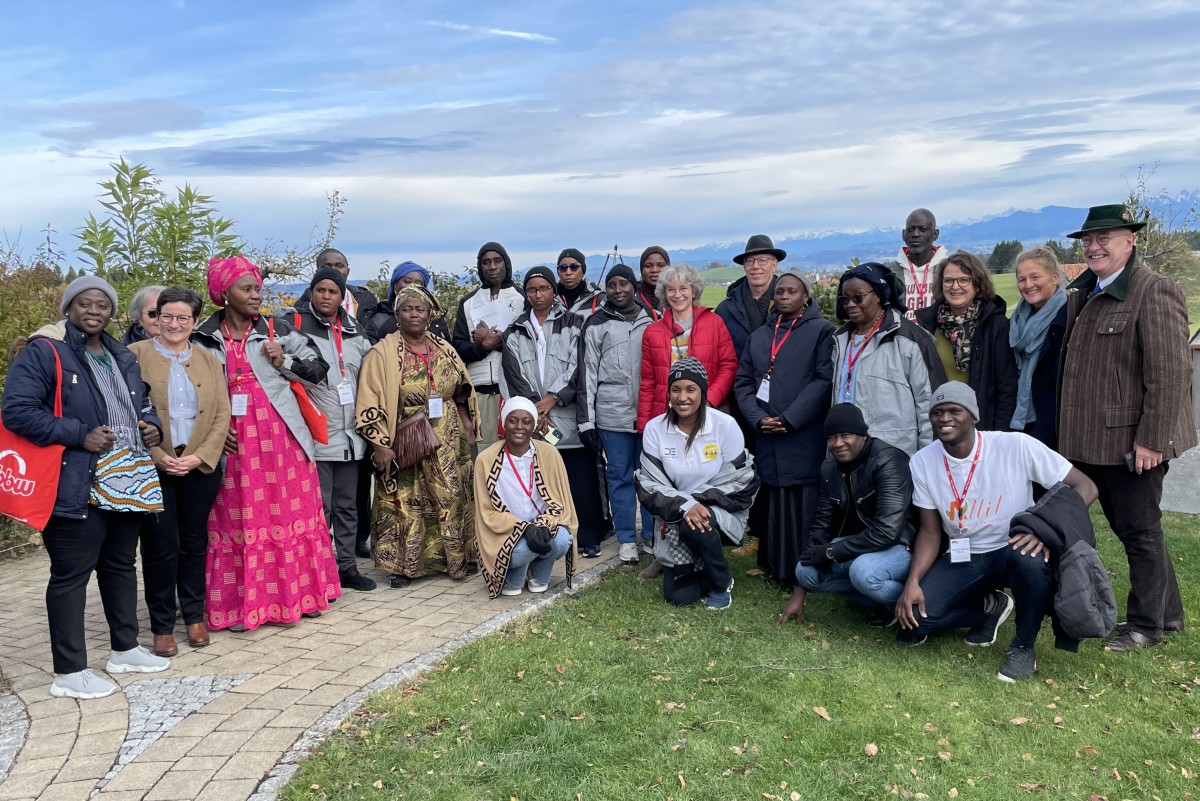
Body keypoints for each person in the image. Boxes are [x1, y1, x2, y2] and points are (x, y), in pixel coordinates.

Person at [3, 276, 169, 699]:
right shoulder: (46, 352)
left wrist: (152, 425)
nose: (94, 311)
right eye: (84, 303)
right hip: (75, 478)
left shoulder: (119, 354)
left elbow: (140, 402)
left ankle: (125, 649)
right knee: (71, 575)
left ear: (113, 312)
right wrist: (79, 434)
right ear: (68, 308)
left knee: (119, 565)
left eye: (102, 305)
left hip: (125, 477)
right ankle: (69, 671)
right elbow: (17, 411)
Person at [1058, 204, 1197, 651]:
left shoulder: (1153, 291)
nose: (1094, 246)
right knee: (1134, 530)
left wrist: (1152, 439)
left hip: (1131, 443)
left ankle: (1145, 626)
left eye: (1105, 238)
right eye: (1088, 240)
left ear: (1130, 241)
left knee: (1140, 532)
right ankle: (1168, 615)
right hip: (1089, 440)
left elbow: (1172, 375)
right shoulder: (1086, 291)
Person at [895, 383, 1099, 682]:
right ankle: (990, 607)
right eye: (937, 412)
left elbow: (1086, 487)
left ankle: (1023, 646)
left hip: (1012, 547)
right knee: (916, 623)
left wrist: (1046, 529)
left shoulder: (1015, 446)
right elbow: (929, 531)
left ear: (973, 417)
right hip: (966, 553)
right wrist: (912, 581)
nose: (944, 418)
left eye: (954, 410)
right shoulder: (923, 461)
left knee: (1030, 560)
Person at [194, 256, 342, 631]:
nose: (257, 295)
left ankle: (300, 597)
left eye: (258, 288)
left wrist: (285, 358)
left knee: (290, 514)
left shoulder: (277, 330)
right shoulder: (202, 338)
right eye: (247, 289)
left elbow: (319, 371)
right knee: (238, 517)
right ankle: (241, 605)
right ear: (224, 294)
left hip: (283, 439)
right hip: (231, 444)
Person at [128, 287, 231, 656]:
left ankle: (193, 617)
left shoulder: (208, 358)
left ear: (193, 320)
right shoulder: (133, 357)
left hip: (199, 467)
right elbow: (128, 414)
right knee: (160, 547)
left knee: (193, 544)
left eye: (182, 317)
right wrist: (158, 455)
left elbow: (222, 415)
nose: (173, 324)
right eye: (165, 316)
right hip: (153, 468)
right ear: (154, 318)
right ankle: (161, 625)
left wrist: (200, 456)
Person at [357, 284, 480, 588]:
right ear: (397, 314)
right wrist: (379, 445)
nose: (414, 314)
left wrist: (467, 426)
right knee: (405, 500)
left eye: (420, 309)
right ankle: (405, 566)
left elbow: (462, 389)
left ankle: (457, 557)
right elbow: (369, 400)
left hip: (448, 435)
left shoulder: (444, 348)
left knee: (452, 496)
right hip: (403, 433)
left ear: (429, 314)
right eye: (407, 309)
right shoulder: (382, 353)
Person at [733, 269, 834, 585]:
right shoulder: (760, 336)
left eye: (792, 291)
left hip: (802, 434)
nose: (785, 296)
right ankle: (775, 566)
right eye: (780, 292)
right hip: (767, 434)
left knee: (802, 502)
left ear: (805, 296)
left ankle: (803, 570)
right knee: (773, 501)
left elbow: (823, 380)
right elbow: (744, 382)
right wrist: (758, 418)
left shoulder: (821, 331)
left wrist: (790, 419)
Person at [500, 267, 607, 558]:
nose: (538, 294)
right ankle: (549, 534)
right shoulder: (515, 330)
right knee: (543, 481)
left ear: (553, 291)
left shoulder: (574, 323)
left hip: (567, 415)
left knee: (579, 477)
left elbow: (579, 364)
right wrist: (535, 409)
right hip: (534, 420)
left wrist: (552, 398)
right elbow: (513, 373)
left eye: (544, 288)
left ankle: (588, 536)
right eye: (532, 290)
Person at [635, 358, 759, 609]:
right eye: (676, 389)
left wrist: (695, 503)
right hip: (675, 512)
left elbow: (741, 479)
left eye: (690, 389)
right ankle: (701, 566)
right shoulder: (654, 429)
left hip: (720, 510)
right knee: (679, 598)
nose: (683, 397)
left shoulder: (725, 425)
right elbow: (649, 484)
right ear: (668, 392)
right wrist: (686, 505)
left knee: (695, 523)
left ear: (703, 391)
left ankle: (721, 582)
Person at [778, 404, 914, 626]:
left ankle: (905, 606)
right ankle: (873, 601)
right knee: (805, 572)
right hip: (859, 545)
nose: (838, 443)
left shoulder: (889, 460)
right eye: (832, 437)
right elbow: (820, 522)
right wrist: (799, 592)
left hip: (900, 545)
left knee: (863, 572)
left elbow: (887, 532)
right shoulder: (830, 467)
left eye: (845, 435)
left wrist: (831, 551)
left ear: (861, 434)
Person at [285, 268, 377, 592]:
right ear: (311, 292)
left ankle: (347, 567)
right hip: (315, 432)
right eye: (320, 290)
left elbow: (369, 375)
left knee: (348, 505)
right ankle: (318, 570)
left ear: (342, 296)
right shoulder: (294, 327)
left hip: (351, 434)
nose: (326, 296)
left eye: (333, 291)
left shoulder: (356, 331)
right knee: (319, 506)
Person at [577, 264, 655, 564]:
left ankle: (650, 535)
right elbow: (587, 375)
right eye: (612, 285)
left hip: (649, 415)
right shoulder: (596, 324)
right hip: (611, 416)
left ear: (634, 286)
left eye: (623, 283)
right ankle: (626, 538)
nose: (618, 290)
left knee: (649, 477)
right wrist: (587, 423)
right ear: (605, 290)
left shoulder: (652, 319)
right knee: (620, 477)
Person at [717, 234, 785, 559]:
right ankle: (750, 532)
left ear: (775, 264)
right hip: (740, 402)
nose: (756, 266)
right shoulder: (727, 308)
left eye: (763, 260)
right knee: (744, 469)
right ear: (743, 266)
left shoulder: (789, 300)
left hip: (780, 404)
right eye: (750, 260)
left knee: (776, 468)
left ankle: (777, 533)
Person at [831, 263, 944, 454]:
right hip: (849, 453)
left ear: (878, 295)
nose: (850, 304)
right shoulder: (840, 340)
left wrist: (928, 459)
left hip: (896, 452)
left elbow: (930, 404)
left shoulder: (910, 339)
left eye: (858, 297)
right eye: (845, 299)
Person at [474, 397, 577, 597]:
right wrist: (525, 528)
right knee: (523, 550)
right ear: (504, 423)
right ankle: (514, 578)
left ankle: (540, 576)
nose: (519, 427)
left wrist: (542, 524)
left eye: (526, 421)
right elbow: (487, 513)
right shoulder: (485, 460)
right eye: (513, 420)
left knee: (562, 540)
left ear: (534, 425)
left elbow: (561, 503)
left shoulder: (549, 453)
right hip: (506, 530)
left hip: (542, 523)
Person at [914, 251, 1018, 432]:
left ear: (977, 284)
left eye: (963, 280)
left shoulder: (995, 325)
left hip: (982, 424)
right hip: (939, 424)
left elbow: (1006, 387)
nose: (955, 286)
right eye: (948, 280)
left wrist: (1000, 435)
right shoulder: (928, 325)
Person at [638, 262, 738, 429]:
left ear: (694, 291)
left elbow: (729, 365)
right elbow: (648, 382)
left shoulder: (715, 323)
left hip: (708, 413)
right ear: (664, 293)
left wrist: (708, 400)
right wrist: (645, 427)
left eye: (683, 288)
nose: (677, 295)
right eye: (671, 289)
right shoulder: (652, 332)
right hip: (666, 416)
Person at [452, 242, 525, 450]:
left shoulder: (522, 298)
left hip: (513, 391)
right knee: (484, 458)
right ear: (480, 267)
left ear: (506, 263)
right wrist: (483, 346)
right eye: (486, 262)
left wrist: (499, 342)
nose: (492, 267)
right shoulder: (468, 302)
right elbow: (458, 347)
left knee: (514, 454)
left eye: (497, 261)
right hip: (480, 392)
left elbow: (530, 346)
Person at [1009, 246, 1068, 449]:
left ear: (1054, 278)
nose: (1028, 285)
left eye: (1035, 277)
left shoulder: (1068, 319)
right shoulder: (1015, 322)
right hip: (1023, 424)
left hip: (1054, 427)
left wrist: (1042, 435)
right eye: (1022, 279)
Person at [366, 261, 451, 343]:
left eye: (418, 283)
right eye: (407, 282)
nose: (412, 286)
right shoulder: (379, 321)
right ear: (395, 285)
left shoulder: (435, 319)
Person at [295, 247, 379, 326]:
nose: (334, 270)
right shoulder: (302, 307)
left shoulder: (365, 300)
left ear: (348, 271)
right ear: (317, 272)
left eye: (339, 266)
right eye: (327, 266)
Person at [897, 209, 949, 317]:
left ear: (935, 234)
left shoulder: (949, 270)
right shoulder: (890, 274)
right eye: (910, 229)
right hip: (902, 333)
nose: (915, 234)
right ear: (903, 234)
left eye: (923, 229)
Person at [555, 248, 604, 316]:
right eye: (563, 267)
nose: (568, 272)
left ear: (583, 271)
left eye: (574, 267)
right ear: (558, 271)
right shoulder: (549, 299)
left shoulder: (599, 300)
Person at [637, 246, 668, 318]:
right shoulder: (632, 298)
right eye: (648, 266)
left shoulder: (676, 295)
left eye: (661, 265)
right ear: (642, 269)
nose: (654, 270)